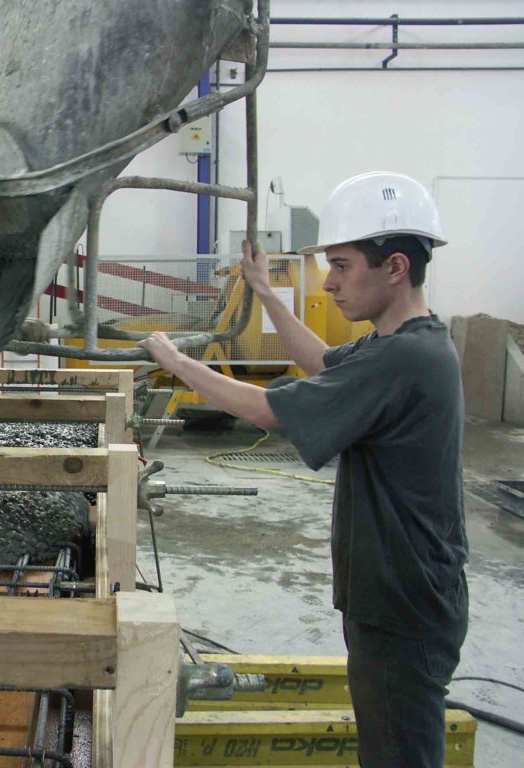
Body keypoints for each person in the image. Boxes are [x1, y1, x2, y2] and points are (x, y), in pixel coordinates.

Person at [138, 171, 468, 768]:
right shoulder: (397, 343)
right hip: (398, 592)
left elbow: (266, 411)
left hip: (403, 600)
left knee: (399, 754)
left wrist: (175, 361)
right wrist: (264, 292)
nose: (329, 281)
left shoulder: (403, 358)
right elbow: (319, 361)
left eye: (342, 266)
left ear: (395, 266)